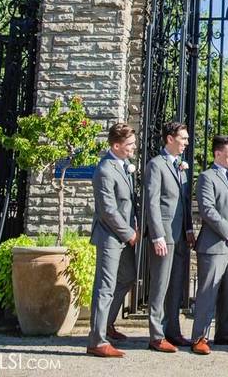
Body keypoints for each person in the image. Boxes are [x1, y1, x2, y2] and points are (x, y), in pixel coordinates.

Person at [190, 135, 228, 355]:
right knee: (208, 292)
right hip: (214, 245)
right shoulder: (207, 177)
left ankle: (224, 332)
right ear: (217, 153)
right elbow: (207, 210)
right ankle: (199, 337)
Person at [87, 123, 139, 358]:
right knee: (105, 287)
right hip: (110, 235)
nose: (133, 147)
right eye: (129, 144)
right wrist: (129, 233)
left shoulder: (124, 165)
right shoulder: (105, 170)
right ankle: (97, 341)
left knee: (127, 277)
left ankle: (107, 323)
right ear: (116, 145)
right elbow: (108, 210)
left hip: (125, 235)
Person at [143, 121, 195, 353]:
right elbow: (152, 202)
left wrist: (190, 229)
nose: (186, 142)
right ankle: (156, 335)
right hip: (164, 235)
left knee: (176, 286)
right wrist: (157, 236)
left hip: (181, 236)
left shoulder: (181, 167)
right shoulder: (156, 165)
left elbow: (184, 202)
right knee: (160, 286)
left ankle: (173, 331)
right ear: (170, 139)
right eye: (183, 138)